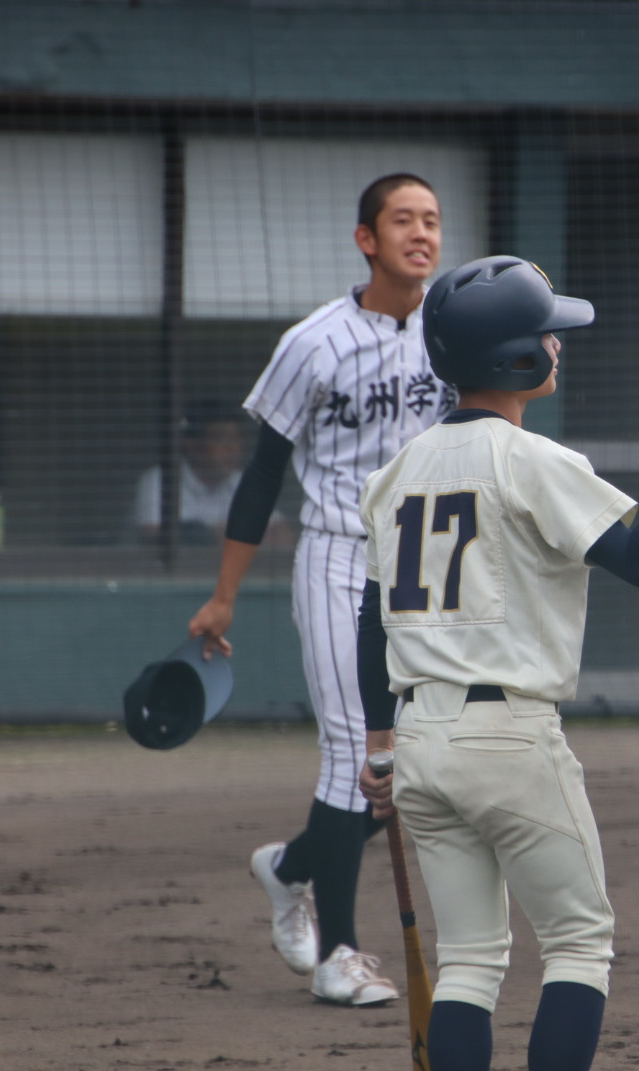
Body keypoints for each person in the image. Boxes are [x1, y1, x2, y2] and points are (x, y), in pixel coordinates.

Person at [354, 255, 639, 1071]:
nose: (559, 348)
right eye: (549, 336)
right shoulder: (533, 461)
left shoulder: (393, 474)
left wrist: (378, 743)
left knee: (467, 962)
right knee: (577, 943)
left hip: (419, 737)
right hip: (508, 736)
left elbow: (369, 618)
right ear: (518, 358)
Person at [188, 172, 456, 1007]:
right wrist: (225, 594)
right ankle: (340, 954)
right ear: (365, 240)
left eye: (432, 221)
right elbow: (264, 473)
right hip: (340, 554)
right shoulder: (315, 342)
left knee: (400, 769)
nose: (422, 234)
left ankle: (291, 866)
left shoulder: (452, 330)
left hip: (424, 562)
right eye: (403, 221)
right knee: (358, 752)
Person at [133, 399, 287, 546]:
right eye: (221, 439)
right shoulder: (162, 480)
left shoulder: (242, 481)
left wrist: (206, 536)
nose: (232, 449)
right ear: (192, 446)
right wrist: (247, 535)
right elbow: (156, 537)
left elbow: (282, 535)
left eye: (235, 439)